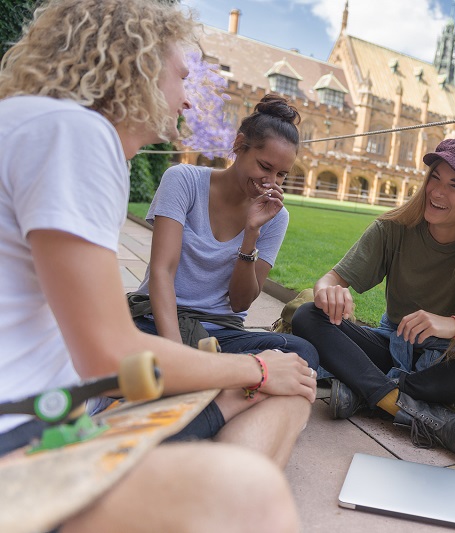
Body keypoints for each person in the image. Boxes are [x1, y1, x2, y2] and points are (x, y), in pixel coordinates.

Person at [0, 1, 313, 531]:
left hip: (64, 405)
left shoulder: (38, 122)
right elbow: (110, 355)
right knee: (259, 478)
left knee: (289, 386)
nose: (188, 97)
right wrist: (253, 369)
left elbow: (234, 305)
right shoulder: (76, 134)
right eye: (182, 75)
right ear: (138, 63)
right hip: (28, 442)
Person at [292, 136, 455, 458]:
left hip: (450, 362)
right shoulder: (393, 227)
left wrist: (453, 326)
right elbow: (331, 279)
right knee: (308, 315)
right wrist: (328, 292)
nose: (437, 191)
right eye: (435, 177)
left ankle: (366, 392)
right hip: (394, 348)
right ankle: (399, 405)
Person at [129, 93, 319, 373]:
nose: (270, 182)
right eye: (265, 167)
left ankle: (212, 374)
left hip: (222, 334)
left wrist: (251, 232)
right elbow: (162, 271)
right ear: (239, 145)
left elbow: (240, 302)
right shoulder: (183, 180)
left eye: (281, 175)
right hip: (159, 320)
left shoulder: (275, 218)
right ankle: (220, 375)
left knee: (303, 354)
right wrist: (175, 356)